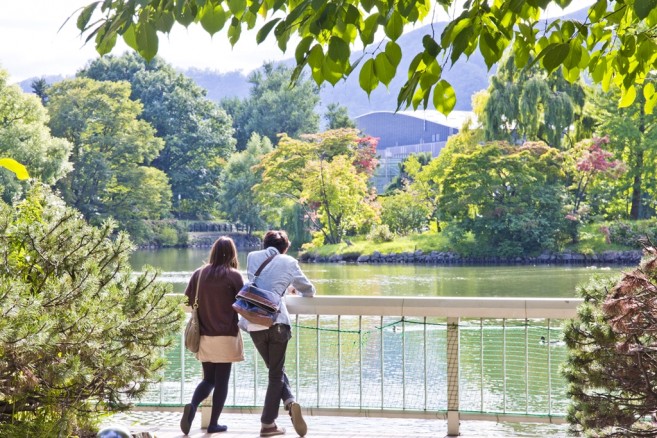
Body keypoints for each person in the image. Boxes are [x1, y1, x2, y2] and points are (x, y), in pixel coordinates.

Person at [242, 230, 316, 437]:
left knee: (275, 370)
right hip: (278, 323)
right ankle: (267, 424)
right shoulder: (289, 261)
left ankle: (289, 401)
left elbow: (262, 283)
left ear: (265, 244)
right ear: (285, 247)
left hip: (254, 322)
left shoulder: (251, 257)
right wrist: (289, 289)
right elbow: (309, 290)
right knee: (276, 373)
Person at [180, 236, 245, 435]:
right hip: (226, 335)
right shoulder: (234, 276)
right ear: (232, 253)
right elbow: (244, 304)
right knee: (222, 381)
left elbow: (187, 302)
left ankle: (192, 405)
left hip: (205, 335)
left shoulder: (199, 274)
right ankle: (213, 423)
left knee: (209, 379)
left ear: (213, 251)